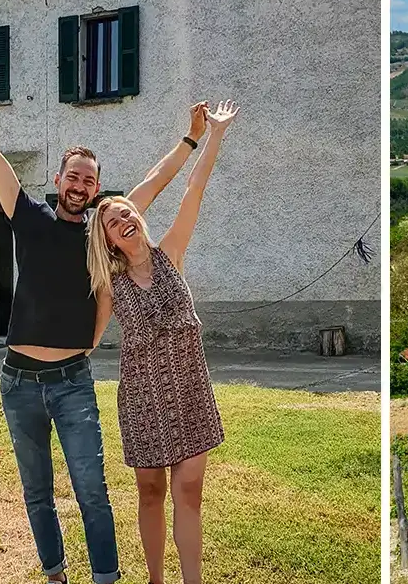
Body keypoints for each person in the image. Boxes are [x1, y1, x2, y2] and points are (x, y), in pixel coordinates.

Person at [0, 56, 207, 584]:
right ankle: (55, 574)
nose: (80, 184)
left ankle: (106, 578)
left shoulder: (101, 231)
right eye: (73, 175)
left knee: (93, 490)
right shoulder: (28, 216)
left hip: (72, 381)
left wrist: (191, 138)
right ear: (59, 178)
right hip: (18, 380)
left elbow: (155, 184)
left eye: (90, 180)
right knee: (37, 491)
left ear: (96, 189)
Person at [87, 100, 238, 584]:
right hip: (144, 398)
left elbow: (193, 188)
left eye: (128, 211)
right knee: (150, 492)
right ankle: (155, 579)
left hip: (191, 392)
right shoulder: (109, 283)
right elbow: (90, 335)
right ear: (107, 239)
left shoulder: (171, 252)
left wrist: (212, 134)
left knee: (190, 493)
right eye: (113, 221)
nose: (124, 219)